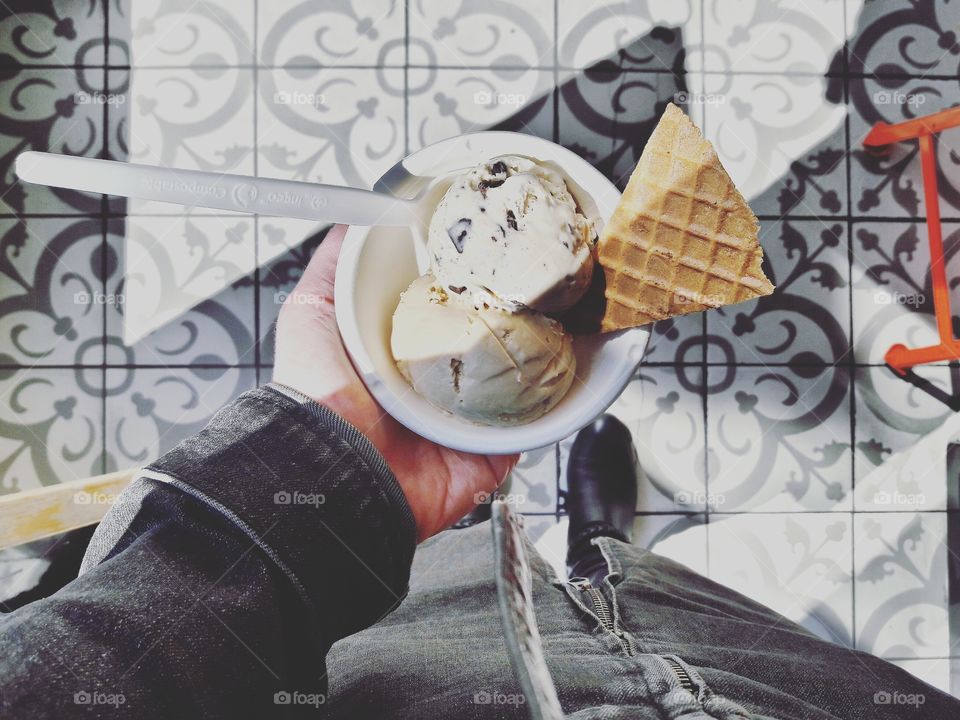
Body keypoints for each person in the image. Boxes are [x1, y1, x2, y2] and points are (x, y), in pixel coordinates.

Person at [0, 224, 956, 719]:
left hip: (420, 680)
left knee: (473, 588)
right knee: (653, 601)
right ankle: (603, 547)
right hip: (771, 698)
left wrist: (322, 491)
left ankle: (582, 545)